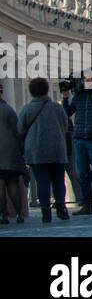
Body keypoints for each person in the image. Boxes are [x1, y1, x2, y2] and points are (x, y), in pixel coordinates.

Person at [16, 78, 71, 223]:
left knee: (42, 182)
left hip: (36, 152)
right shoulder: (57, 108)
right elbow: (66, 126)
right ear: (47, 90)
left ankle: (46, 211)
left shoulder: (27, 109)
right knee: (59, 181)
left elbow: (20, 130)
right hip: (57, 150)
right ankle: (61, 207)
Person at [62, 68, 92, 215]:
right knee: (82, 173)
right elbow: (67, 113)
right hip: (78, 138)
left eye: (89, 78)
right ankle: (87, 205)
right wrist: (65, 97)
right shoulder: (79, 96)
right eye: (84, 78)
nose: (85, 81)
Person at [0, 82, 27, 224]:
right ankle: (18, 214)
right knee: (12, 183)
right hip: (10, 152)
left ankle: (3, 215)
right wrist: (22, 152)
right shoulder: (8, 109)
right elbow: (18, 132)